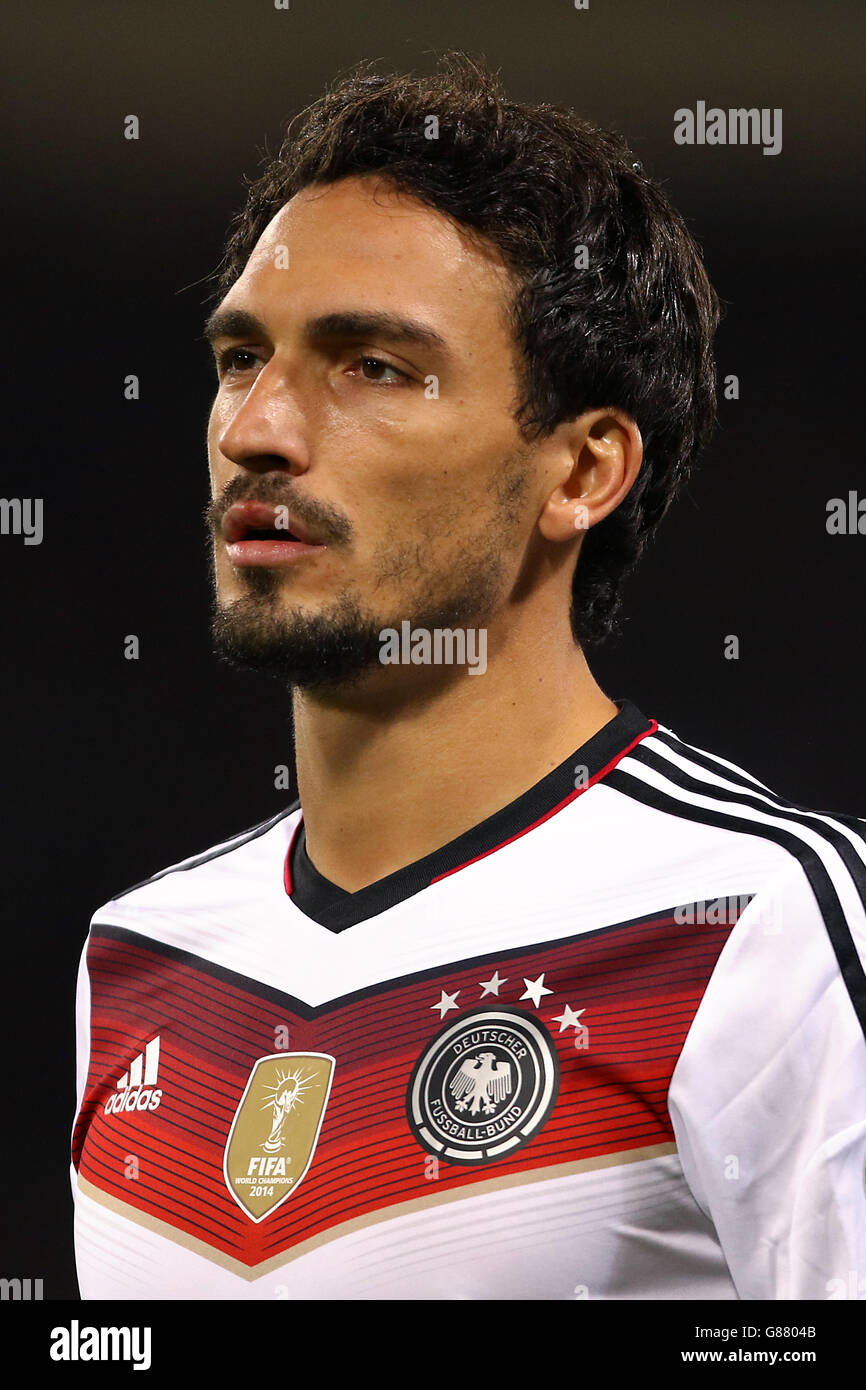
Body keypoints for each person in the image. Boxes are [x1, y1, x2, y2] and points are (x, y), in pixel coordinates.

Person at [70, 51, 866, 1300]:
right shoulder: (140, 955)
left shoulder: (757, 927)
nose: (254, 428)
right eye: (238, 359)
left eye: (372, 366)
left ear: (581, 472)